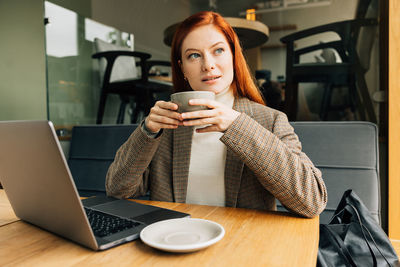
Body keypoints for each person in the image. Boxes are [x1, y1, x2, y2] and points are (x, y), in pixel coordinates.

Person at [106, 11, 327, 218]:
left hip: (242, 249)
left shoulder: (269, 120)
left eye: (218, 50)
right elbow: (117, 190)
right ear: (182, 68)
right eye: (194, 55)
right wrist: (147, 131)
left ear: (233, 56)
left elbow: (312, 201)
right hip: (174, 244)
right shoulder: (166, 124)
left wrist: (237, 126)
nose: (208, 65)